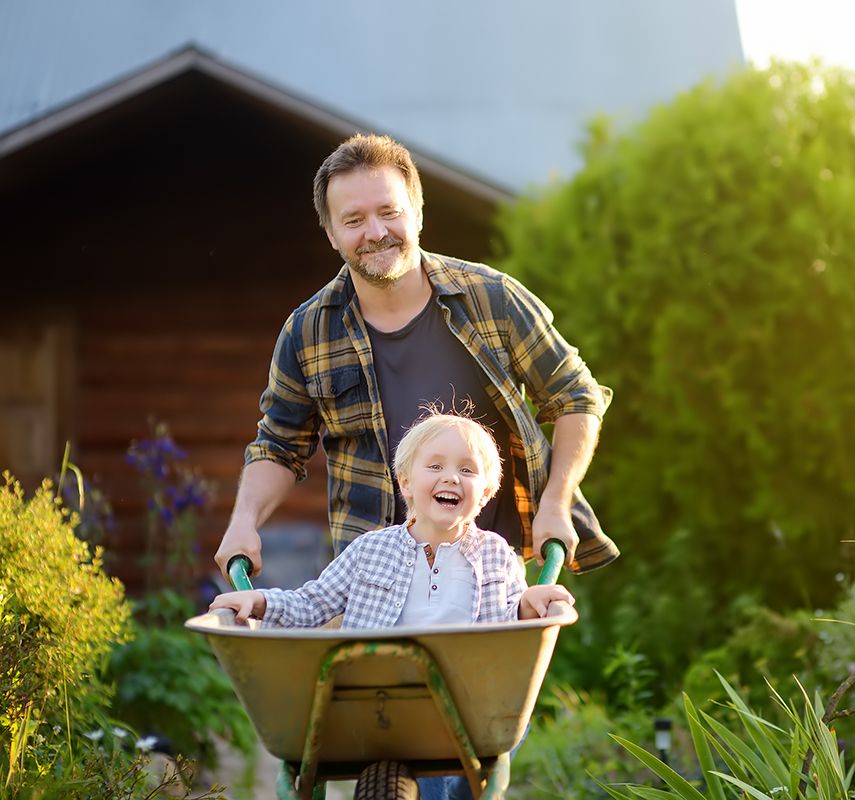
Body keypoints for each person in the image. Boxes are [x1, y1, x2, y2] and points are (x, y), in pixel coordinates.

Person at [213, 133, 618, 580]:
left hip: (493, 578)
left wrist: (556, 503)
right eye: (354, 220)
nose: (375, 232)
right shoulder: (308, 331)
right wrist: (242, 522)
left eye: (389, 212)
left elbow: (575, 397)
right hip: (373, 583)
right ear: (331, 234)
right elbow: (278, 446)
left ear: (418, 213)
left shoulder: (492, 299)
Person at [210, 413, 571, 800]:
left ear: (484, 493)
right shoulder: (371, 550)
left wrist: (531, 605)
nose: (451, 477)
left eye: (467, 470)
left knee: (466, 764)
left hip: (470, 707)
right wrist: (260, 601)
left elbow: (511, 622)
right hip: (377, 703)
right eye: (435, 466)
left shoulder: (496, 554)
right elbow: (313, 603)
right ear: (406, 483)